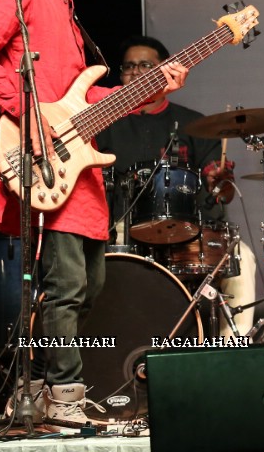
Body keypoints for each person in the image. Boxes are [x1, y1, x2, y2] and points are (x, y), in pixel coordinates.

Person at [0, 0, 188, 426]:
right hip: (42, 161)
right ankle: (63, 397)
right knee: (65, 287)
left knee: (89, 284)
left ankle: (34, 388)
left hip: (75, 168)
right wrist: (27, 112)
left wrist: (155, 88)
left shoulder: (66, 14)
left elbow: (83, 104)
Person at [94, 36, 255, 336]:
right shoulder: (103, 122)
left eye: (145, 65)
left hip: (185, 234)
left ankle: (232, 351)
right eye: (128, 66)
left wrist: (220, 181)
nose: (135, 72)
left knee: (242, 257)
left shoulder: (193, 124)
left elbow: (221, 189)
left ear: (165, 70)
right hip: (118, 230)